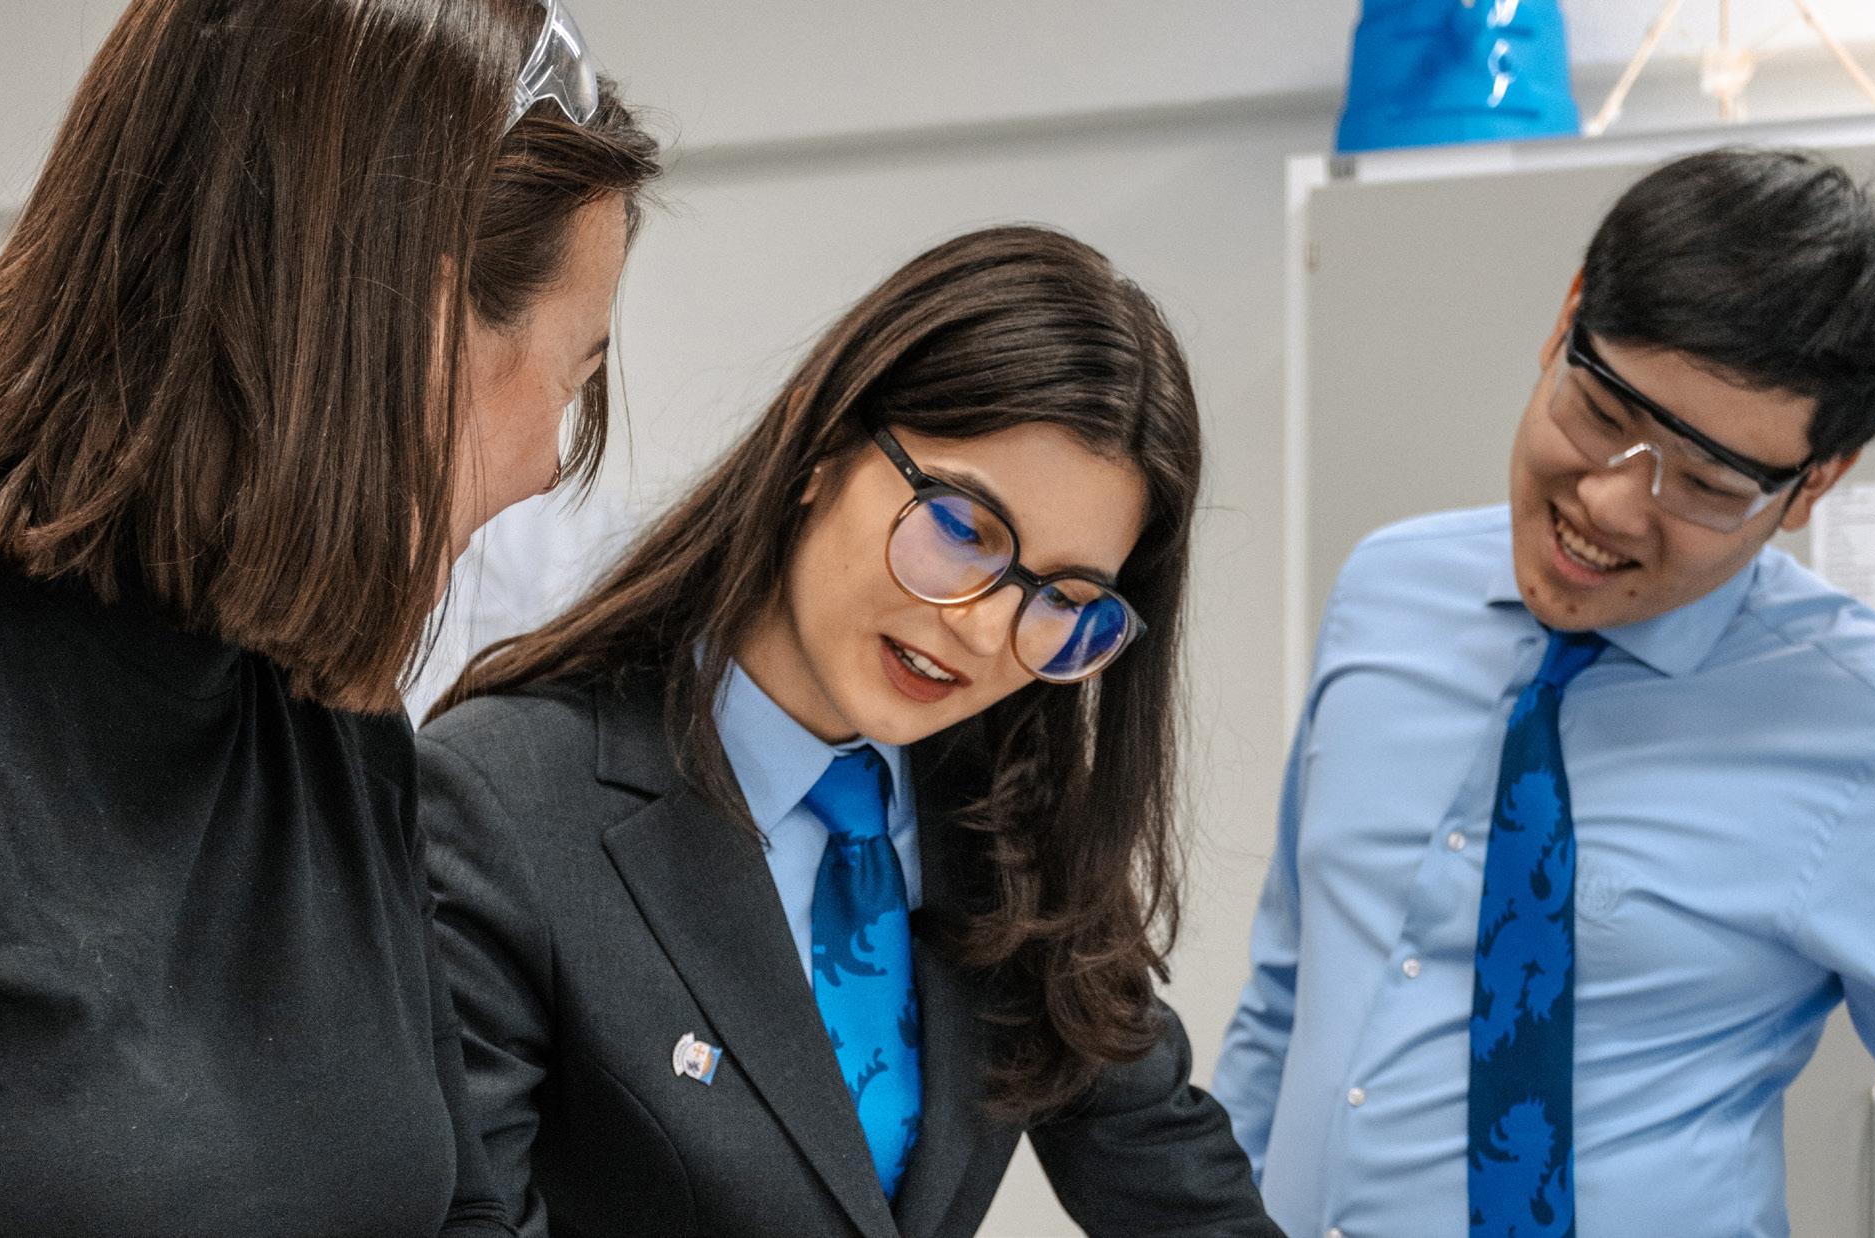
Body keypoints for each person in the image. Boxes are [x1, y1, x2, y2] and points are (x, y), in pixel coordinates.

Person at [1212, 147, 1875, 1237]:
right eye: (1600, 414)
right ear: (1566, 319)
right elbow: (1285, 999)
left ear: (1812, 484)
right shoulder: (1385, 592)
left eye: (1703, 481)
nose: (1609, 503)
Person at [416, 225, 1281, 1238]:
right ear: (818, 446)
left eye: (1061, 597)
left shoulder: (1005, 819)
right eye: (960, 529)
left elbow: (1176, 1186)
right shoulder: (504, 801)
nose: (984, 629)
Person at [0, 1, 659, 1233]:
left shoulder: (322, 704)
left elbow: (460, 1201)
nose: (553, 461)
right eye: (572, 373)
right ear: (403, 330)